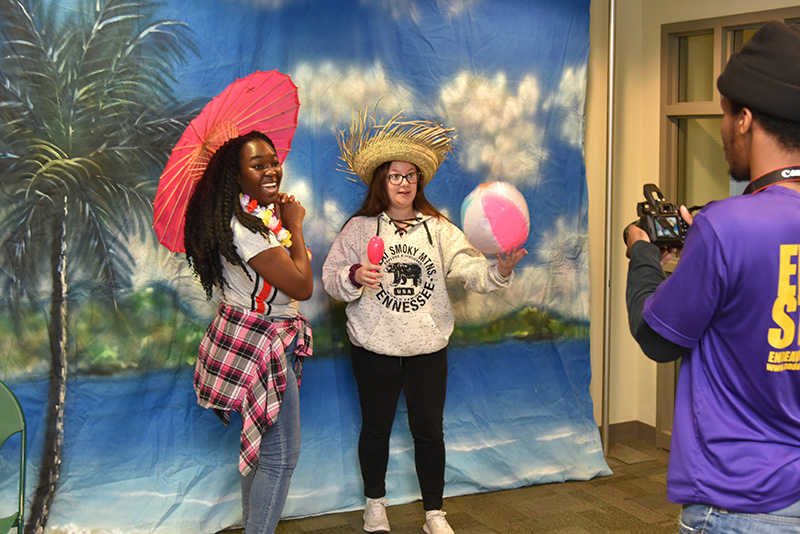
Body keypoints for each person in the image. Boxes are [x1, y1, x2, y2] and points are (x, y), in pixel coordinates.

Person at [624, 21, 800, 534]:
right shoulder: (724, 229)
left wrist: (644, 254)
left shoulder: (726, 226)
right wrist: (701, 253)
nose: (722, 130)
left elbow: (656, 337)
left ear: (744, 119)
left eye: (724, 114)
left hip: (736, 505)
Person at [322, 110, 527, 534]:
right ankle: (374, 505)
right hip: (374, 348)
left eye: (411, 176)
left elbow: (473, 272)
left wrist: (500, 270)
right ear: (381, 180)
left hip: (427, 350)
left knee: (429, 432)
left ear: (420, 182)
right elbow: (330, 278)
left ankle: (435, 512)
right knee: (375, 428)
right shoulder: (359, 229)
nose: (403, 183)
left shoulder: (439, 229)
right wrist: (355, 276)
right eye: (395, 175)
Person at [183, 130, 313, 534]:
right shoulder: (248, 230)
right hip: (263, 342)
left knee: (258, 452)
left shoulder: (251, 218)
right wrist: (295, 225)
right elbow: (302, 287)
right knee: (280, 457)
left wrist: (279, 220)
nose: (272, 169)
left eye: (273, 161)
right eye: (258, 165)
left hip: (253, 334)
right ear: (236, 178)